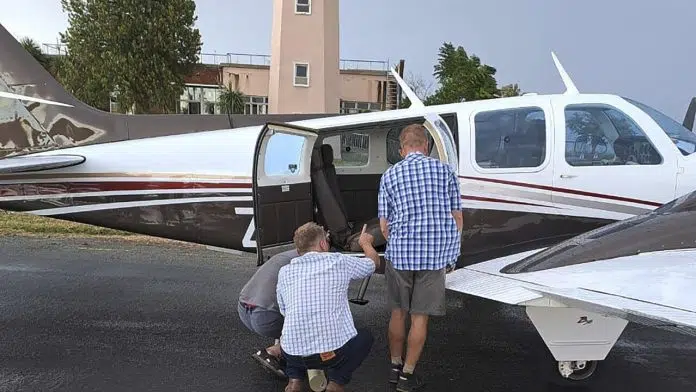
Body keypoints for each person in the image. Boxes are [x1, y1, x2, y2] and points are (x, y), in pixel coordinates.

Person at [378, 123, 463, 391]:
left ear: (402, 149)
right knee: (419, 318)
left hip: (401, 255)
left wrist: (400, 242)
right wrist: (450, 252)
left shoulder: (390, 175)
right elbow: (457, 218)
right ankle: (407, 376)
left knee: (398, 313)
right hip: (434, 257)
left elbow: (384, 225)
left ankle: (393, 366)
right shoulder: (446, 171)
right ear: (426, 146)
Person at [277, 222, 380, 392]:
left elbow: (284, 311)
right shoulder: (338, 261)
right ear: (323, 244)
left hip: (293, 355)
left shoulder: (285, 271)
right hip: (331, 355)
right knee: (364, 338)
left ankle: (294, 380)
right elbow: (373, 263)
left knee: (293, 337)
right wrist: (366, 243)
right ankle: (336, 383)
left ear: (298, 249)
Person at [238, 248, 299, 378]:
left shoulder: (285, 255)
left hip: (244, 309)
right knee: (317, 317)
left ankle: (283, 349)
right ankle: (275, 352)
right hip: (264, 317)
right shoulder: (308, 262)